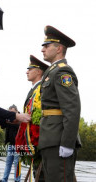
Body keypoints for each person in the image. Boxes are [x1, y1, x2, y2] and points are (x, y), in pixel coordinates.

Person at [39, 25, 81, 182]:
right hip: (50, 138)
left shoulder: (63, 72)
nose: (42, 50)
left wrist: (67, 143)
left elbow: (72, 109)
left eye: (46, 45)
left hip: (59, 140)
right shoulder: (52, 71)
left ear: (59, 48)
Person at [24, 55, 48, 182]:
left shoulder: (42, 89)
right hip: (34, 141)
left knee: (42, 176)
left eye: (30, 68)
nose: (26, 71)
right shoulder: (35, 89)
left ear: (38, 71)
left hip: (40, 140)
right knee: (37, 174)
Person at [0, 105, 21, 182]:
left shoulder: (19, 119)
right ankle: (4, 179)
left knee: (16, 163)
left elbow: (17, 126)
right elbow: (2, 126)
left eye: (12, 112)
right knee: (8, 163)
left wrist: (8, 121)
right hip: (11, 144)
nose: (11, 114)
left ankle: (17, 180)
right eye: (9, 112)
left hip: (18, 145)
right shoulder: (8, 119)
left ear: (16, 111)